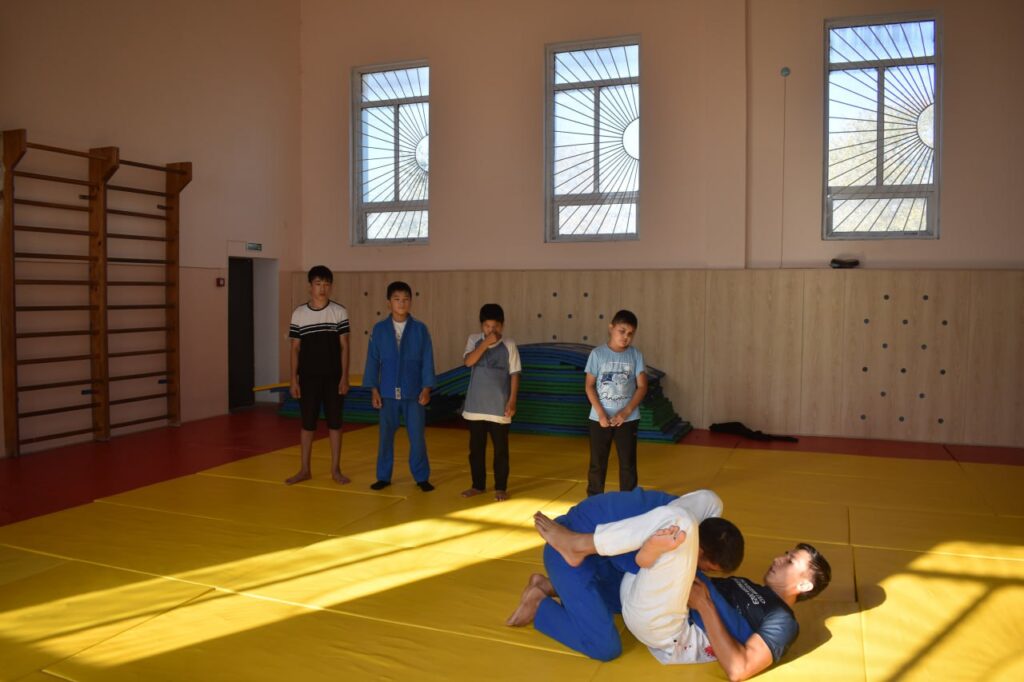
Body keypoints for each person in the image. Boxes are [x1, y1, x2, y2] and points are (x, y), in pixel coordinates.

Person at [507, 488, 744, 663]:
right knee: (605, 648)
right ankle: (540, 605)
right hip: (567, 556)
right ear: (700, 551)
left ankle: (549, 585)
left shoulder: (685, 515)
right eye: (706, 567)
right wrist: (737, 632)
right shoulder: (672, 531)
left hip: (602, 558)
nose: (701, 571)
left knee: (631, 597)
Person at [686, 543, 832, 680]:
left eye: (790, 561)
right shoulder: (744, 582)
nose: (777, 559)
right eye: (785, 554)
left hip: (687, 626)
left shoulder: (784, 620)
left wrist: (704, 605)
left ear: (804, 585)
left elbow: (739, 668)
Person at [363, 281, 436, 492]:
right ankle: (383, 476)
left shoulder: (420, 329)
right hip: (387, 393)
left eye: (405, 299)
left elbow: (428, 360)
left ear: (411, 302)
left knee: (417, 438)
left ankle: (421, 477)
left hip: (414, 393)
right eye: (396, 299)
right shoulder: (379, 330)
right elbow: (372, 361)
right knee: (385, 437)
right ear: (389, 303)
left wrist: (426, 388)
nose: (401, 303)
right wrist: (374, 390)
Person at [285, 265, 350, 486]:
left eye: (326, 284)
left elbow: (345, 346)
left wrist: (344, 377)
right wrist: (293, 379)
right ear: (310, 286)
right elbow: (294, 348)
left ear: (331, 287)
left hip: (333, 377)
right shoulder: (299, 313)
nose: (322, 288)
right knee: (307, 424)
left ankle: (336, 470)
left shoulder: (339, 312)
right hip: (308, 378)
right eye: (318, 284)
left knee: (335, 424)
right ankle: (304, 469)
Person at [461, 303, 521, 501]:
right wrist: (485, 343)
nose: (491, 330)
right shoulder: (474, 340)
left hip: (499, 407)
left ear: (502, 326)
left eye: (495, 326)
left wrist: (512, 401)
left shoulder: (509, 344)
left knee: (501, 450)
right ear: (481, 326)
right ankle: (477, 485)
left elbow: (514, 374)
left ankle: (501, 487)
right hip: (475, 407)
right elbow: (468, 362)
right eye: (487, 326)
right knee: (476, 449)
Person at [584, 309, 648, 496]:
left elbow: (642, 387)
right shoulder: (597, 354)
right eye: (622, 331)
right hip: (599, 418)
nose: (626, 337)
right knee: (597, 463)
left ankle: (628, 501)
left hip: (627, 420)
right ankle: (594, 500)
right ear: (611, 328)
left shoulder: (636, 355)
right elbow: (589, 386)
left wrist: (626, 412)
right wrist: (601, 414)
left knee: (628, 463)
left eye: (630, 334)